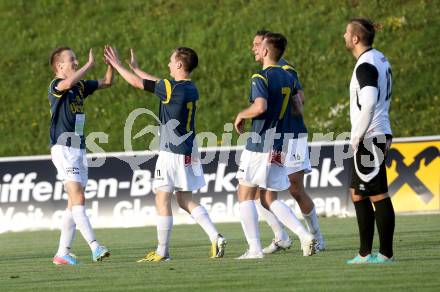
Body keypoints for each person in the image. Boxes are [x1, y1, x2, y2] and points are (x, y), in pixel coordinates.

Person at [104, 46, 226, 261]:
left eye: (171, 61)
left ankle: (162, 251)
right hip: (189, 149)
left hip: (171, 151)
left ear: (179, 64)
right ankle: (215, 236)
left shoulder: (170, 87)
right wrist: (137, 68)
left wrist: (118, 65)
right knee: (185, 199)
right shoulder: (190, 87)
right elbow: (157, 84)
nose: (168, 64)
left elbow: (137, 84)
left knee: (162, 200)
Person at [234, 32, 316, 259]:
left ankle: (254, 249)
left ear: (267, 51)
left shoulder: (260, 77)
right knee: (268, 198)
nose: (255, 49)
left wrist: (241, 114)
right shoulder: (289, 77)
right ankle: (303, 234)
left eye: (259, 47)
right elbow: (299, 108)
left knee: (244, 193)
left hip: (260, 143)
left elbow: (259, 107)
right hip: (280, 144)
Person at [251, 30, 325, 254]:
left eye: (256, 44)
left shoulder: (286, 70)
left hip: (292, 136)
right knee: (259, 193)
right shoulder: (265, 74)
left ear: (266, 46)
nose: (253, 48)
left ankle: (316, 237)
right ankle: (281, 236)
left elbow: (299, 103)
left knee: (295, 188)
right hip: (274, 138)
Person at [49, 46, 113, 265]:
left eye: (77, 60)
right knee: (78, 197)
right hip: (63, 147)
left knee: (72, 203)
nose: (75, 62)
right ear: (60, 66)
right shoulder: (56, 85)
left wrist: (111, 66)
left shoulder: (80, 86)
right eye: (72, 60)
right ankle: (95, 246)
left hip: (78, 147)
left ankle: (62, 252)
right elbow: (65, 84)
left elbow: (106, 82)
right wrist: (88, 65)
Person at [343, 18, 395, 264]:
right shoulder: (378, 58)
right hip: (377, 132)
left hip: (370, 135)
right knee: (358, 194)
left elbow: (370, 101)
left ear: (355, 38)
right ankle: (365, 253)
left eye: (346, 33)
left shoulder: (365, 64)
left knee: (377, 194)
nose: (343, 36)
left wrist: (357, 135)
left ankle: (384, 254)